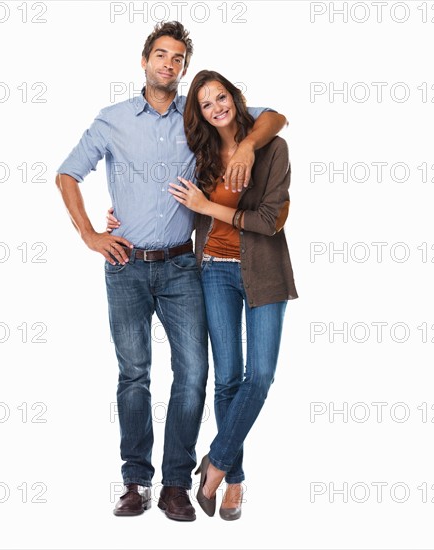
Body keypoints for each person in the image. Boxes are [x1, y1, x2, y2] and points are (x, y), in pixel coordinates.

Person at [56, 21, 287, 522]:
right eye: (160, 55)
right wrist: (91, 234)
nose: (168, 64)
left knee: (195, 374)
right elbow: (67, 173)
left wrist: (246, 145)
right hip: (125, 265)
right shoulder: (112, 119)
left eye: (177, 58)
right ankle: (136, 481)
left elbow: (269, 117)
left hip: (185, 264)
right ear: (144, 61)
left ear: (183, 68)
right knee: (134, 374)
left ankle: (177, 484)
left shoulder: (196, 118)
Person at [168, 70, 298, 520]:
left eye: (220, 96)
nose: (216, 107)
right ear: (200, 113)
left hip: (264, 272)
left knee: (259, 377)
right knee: (227, 380)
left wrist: (210, 207)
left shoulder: (272, 147)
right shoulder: (199, 156)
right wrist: (120, 217)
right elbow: (172, 202)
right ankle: (236, 481)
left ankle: (217, 464)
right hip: (214, 273)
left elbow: (269, 221)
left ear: (234, 97)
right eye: (206, 103)